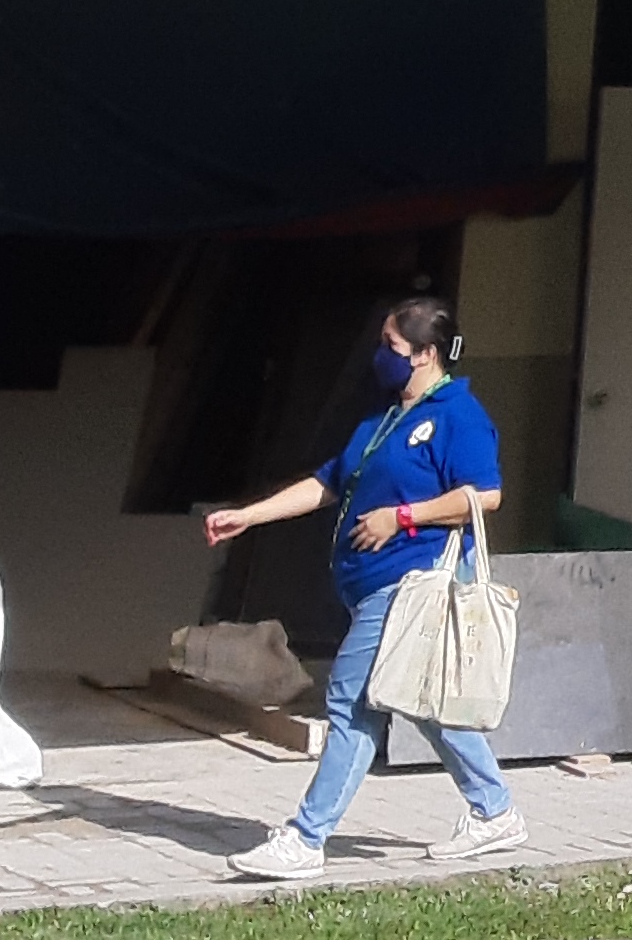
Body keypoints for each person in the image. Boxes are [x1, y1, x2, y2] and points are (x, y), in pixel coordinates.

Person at [210, 292, 523, 884]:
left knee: (351, 703)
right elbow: (328, 483)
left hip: (411, 586)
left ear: (426, 354)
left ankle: (306, 837)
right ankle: (495, 811)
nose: (380, 356)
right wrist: (249, 516)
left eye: (392, 347)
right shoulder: (382, 422)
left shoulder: (459, 415)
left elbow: (484, 495)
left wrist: (402, 519)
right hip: (371, 587)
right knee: (426, 704)